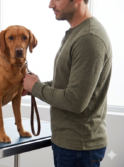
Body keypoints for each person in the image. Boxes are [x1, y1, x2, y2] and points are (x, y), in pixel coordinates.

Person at [22, 0, 112, 167]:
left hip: (79, 148)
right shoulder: (77, 33)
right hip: (70, 146)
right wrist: (30, 88)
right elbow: (65, 84)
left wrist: (36, 87)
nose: (50, 5)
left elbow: (75, 100)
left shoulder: (89, 38)